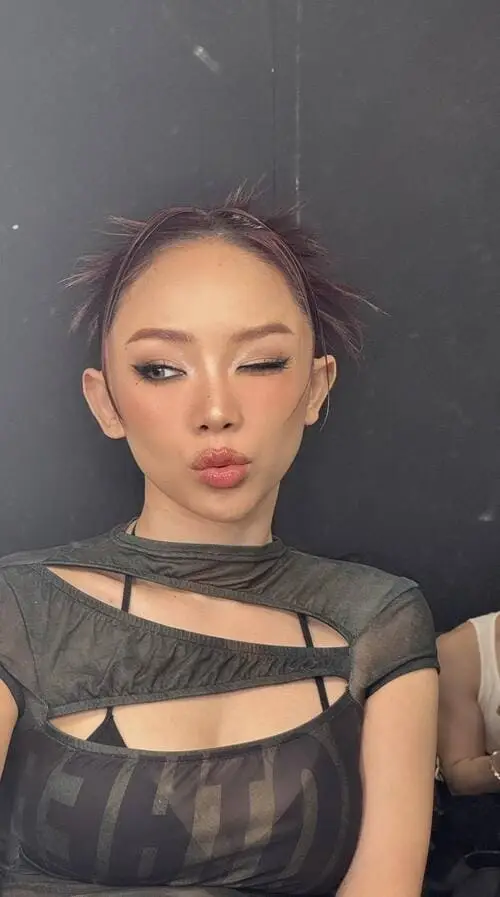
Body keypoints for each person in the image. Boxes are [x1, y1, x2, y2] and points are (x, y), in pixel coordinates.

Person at [0, 192, 438, 896]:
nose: (216, 411)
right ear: (105, 400)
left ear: (317, 387)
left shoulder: (377, 621)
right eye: (161, 369)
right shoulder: (19, 611)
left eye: (260, 363)